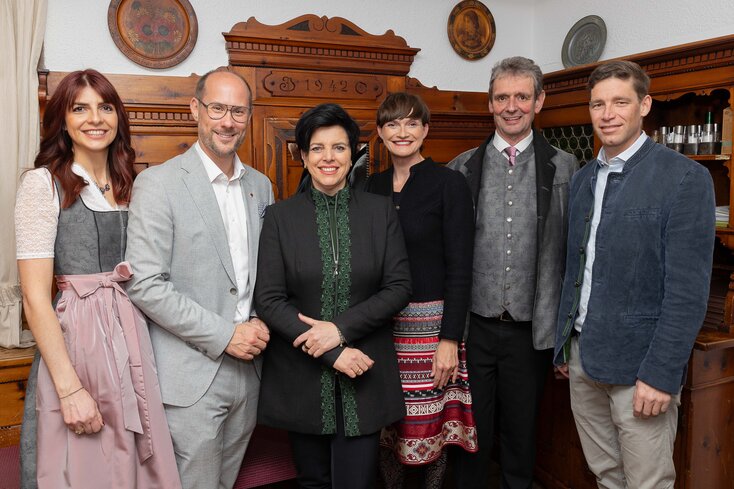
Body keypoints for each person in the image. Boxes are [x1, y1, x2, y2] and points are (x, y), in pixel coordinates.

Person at [15, 69, 180, 489]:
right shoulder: (43, 185)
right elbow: (35, 300)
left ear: (118, 117)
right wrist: (69, 390)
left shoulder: (135, 185)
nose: (95, 118)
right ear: (63, 120)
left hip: (134, 338)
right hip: (78, 342)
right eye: (80, 108)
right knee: (84, 466)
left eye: (105, 107)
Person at [553, 60, 715, 489]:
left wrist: (660, 374)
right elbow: (577, 268)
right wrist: (565, 346)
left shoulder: (685, 178)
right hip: (583, 358)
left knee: (647, 483)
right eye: (598, 104)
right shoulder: (585, 178)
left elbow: (687, 292)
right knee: (605, 476)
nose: (607, 114)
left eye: (620, 102)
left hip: (641, 368)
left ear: (644, 105)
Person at [124, 68, 274, 489]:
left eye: (238, 111)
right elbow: (144, 284)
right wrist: (226, 334)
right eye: (218, 108)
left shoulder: (261, 187)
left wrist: (263, 320)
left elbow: (264, 274)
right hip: (190, 375)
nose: (228, 121)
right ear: (196, 109)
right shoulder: (158, 184)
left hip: (252, 371)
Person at [254, 103, 412, 489]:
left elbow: (398, 287)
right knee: (312, 481)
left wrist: (339, 330)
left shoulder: (380, 212)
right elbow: (270, 300)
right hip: (301, 376)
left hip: (366, 371)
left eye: (339, 148)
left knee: (356, 482)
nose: (329, 158)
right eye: (318, 148)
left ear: (352, 155)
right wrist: (331, 351)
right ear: (303, 156)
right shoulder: (279, 217)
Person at [448, 56, 578, 489]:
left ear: (539, 101)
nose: (511, 106)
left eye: (522, 96)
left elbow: (572, 253)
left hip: (530, 330)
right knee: (471, 437)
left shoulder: (564, 167)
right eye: (502, 97)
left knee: (522, 437)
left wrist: (566, 333)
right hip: (474, 328)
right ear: (489, 103)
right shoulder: (462, 166)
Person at [366, 92, 478, 489]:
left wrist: (449, 338)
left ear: (425, 130)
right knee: (386, 428)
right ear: (380, 132)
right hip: (380, 328)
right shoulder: (370, 187)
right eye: (393, 124)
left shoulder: (449, 184)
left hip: (431, 330)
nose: (402, 132)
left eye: (412, 123)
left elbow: (461, 269)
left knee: (431, 429)